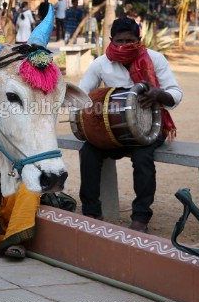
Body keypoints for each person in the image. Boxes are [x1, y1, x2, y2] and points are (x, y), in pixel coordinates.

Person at [78, 18, 182, 233]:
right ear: (110, 40)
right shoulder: (101, 63)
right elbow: (81, 94)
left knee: (143, 158)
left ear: (139, 39)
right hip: (111, 131)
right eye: (119, 41)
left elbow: (176, 94)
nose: (124, 45)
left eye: (130, 41)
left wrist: (158, 94)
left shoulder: (155, 59)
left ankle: (141, 217)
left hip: (149, 128)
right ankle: (91, 211)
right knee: (88, 152)